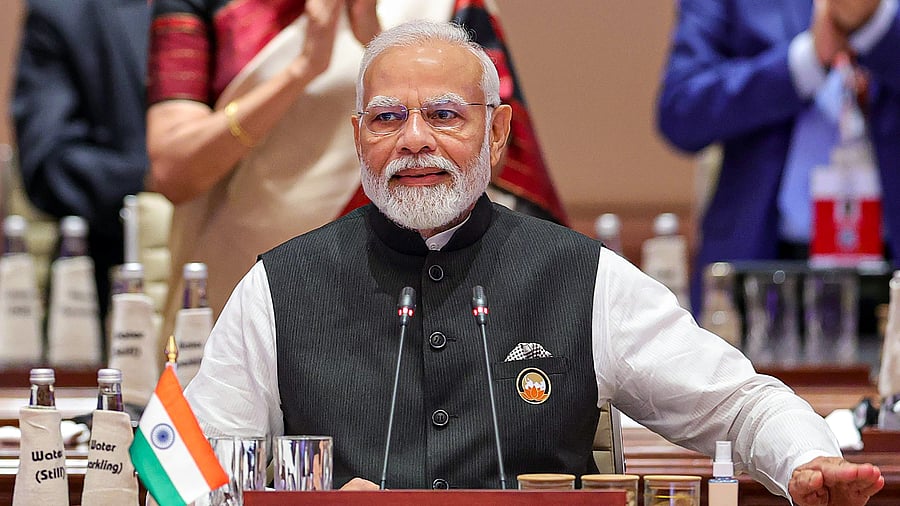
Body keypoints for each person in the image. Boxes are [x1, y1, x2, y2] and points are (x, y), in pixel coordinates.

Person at [184, 20, 885, 503]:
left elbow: (739, 404)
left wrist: (805, 462)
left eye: (446, 115)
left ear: (497, 133)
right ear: (359, 138)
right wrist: (306, 501)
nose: (415, 141)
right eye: (388, 118)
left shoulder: (585, 278)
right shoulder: (277, 287)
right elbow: (191, 476)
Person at [146, 0, 564, 342]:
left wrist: (377, 46)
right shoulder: (208, 7)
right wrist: (304, 67)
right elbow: (174, 171)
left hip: (410, 286)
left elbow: (487, 151)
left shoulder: (443, 6)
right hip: (238, 284)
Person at [656, 0, 900, 314]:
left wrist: (876, 28)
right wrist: (805, 62)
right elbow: (680, 111)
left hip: (889, 268)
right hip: (762, 267)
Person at [13, 0, 150, 321]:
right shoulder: (64, 11)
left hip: (235, 264)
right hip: (104, 287)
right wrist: (159, 178)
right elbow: (48, 165)